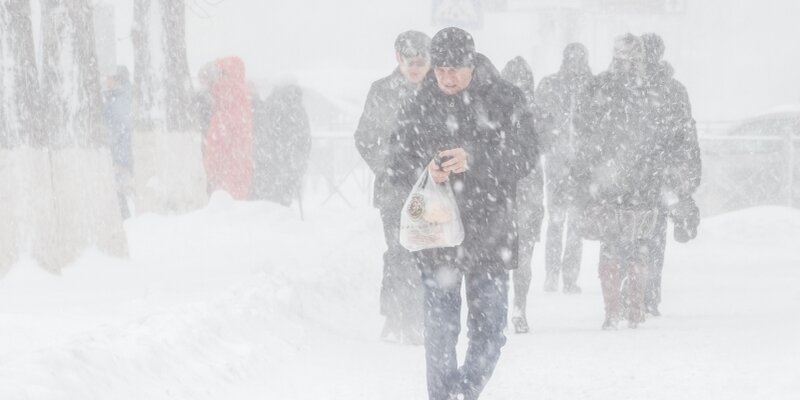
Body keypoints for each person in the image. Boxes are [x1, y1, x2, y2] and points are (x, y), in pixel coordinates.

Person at [388, 27, 536, 400]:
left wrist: (475, 159)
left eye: (454, 69)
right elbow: (395, 161)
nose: (446, 78)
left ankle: (463, 391)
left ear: (473, 64)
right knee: (439, 330)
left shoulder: (504, 99)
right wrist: (426, 171)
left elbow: (526, 155)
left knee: (490, 332)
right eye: (440, 70)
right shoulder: (421, 102)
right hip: (438, 236)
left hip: (491, 231)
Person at [355, 30, 431, 344]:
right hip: (393, 188)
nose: (416, 68)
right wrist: (386, 166)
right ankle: (394, 317)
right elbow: (364, 137)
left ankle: (417, 319)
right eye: (410, 61)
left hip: (430, 188)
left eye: (421, 61)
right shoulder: (382, 91)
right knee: (398, 253)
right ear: (397, 58)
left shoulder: (438, 90)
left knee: (423, 253)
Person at [640, 33, 702, 316]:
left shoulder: (632, 86)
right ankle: (647, 295)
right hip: (659, 173)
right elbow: (687, 134)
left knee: (636, 236)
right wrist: (687, 174)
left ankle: (636, 294)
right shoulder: (674, 89)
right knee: (653, 237)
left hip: (639, 173)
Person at [535, 43, 594, 294]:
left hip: (578, 165)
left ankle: (567, 276)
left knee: (574, 223)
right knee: (559, 221)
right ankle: (554, 274)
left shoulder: (593, 87)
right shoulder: (555, 86)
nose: (575, 64)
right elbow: (538, 121)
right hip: (560, 163)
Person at [500, 56, 544, 334]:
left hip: (500, 188)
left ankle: (506, 307)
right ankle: (519, 308)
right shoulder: (535, 109)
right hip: (527, 186)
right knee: (523, 254)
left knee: (501, 254)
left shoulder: (493, 107)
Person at [200, 57, 253, 200]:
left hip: (224, 184)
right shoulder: (241, 104)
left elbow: (216, 149)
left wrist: (209, 174)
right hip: (238, 178)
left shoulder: (224, 111)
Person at [251, 83, 312, 206]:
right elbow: (305, 138)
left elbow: (261, 133)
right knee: (285, 199)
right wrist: (300, 159)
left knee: (270, 202)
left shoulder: (269, 104)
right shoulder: (298, 109)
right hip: (289, 164)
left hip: (271, 165)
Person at [103, 66, 134, 219]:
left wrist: (120, 161)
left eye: (108, 78)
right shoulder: (115, 98)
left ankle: (126, 218)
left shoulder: (119, 101)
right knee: (119, 192)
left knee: (120, 191)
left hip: (119, 156)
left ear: (116, 80)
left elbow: (123, 131)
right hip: (117, 154)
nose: (105, 81)